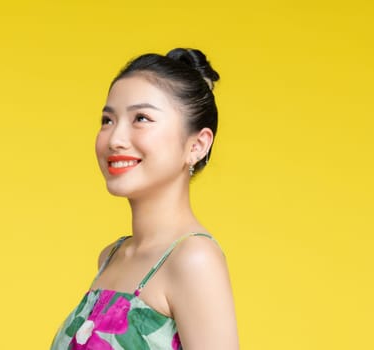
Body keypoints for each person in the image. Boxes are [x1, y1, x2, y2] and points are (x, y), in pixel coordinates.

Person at [50, 48, 239, 349]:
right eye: (107, 120)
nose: (115, 139)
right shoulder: (111, 257)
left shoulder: (193, 259)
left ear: (197, 145)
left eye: (141, 118)